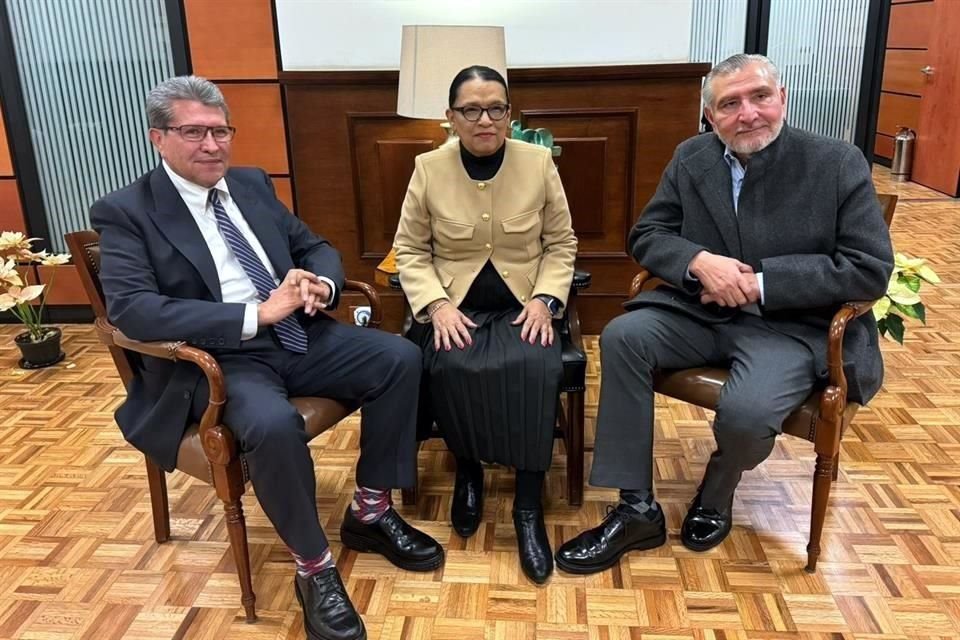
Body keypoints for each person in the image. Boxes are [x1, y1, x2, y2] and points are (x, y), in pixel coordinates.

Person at [91, 75, 443, 640]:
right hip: (220, 359)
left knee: (400, 356)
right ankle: (314, 567)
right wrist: (255, 315)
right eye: (193, 132)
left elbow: (315, 246)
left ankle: (371, 513)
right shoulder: (127, 211)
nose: (212, 145)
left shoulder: (252, 184)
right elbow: (132, 310)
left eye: (220, 131)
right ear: (158, 138)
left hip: (299, 334)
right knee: (273, 423)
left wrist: (322, 287)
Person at [555, 54, 894, 574]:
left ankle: (718, 488)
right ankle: (636, 508)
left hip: (789, 327)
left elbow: (868, 269)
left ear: (782, 98)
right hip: (699, 313)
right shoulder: (692, 158)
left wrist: (759, 283)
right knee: (624, 336)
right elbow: (647, 235)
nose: (748, 114)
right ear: (711, 118)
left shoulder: (836, 162)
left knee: (748, 415)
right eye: (729, 104)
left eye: (759, 96)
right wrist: (697, 261)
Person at [393, 65, 577, 584]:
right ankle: (468, 474)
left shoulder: (538, 162)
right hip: (458, 305)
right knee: (448, 366)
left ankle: (526, 503)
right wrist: (436, 307)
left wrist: (546, 301)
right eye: (471, 110)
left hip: (525, 304)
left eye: (496, 108)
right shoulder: (428, 167)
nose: (485, 120)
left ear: (509, 114)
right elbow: (409, 248)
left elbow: (562, 243)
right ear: (451, 117)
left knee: (534, 366)